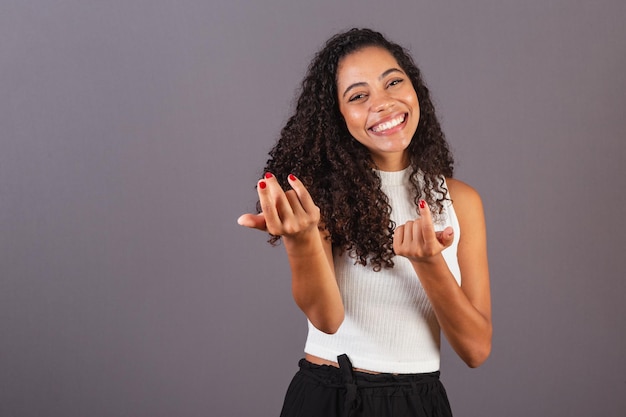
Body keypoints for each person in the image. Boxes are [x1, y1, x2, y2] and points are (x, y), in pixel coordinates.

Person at [238, 28, 492, 417]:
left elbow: (476, 350)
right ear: (337, 117)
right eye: (358, 96)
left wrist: (429, 264)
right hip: (333, 396)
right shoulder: (322, 196)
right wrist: (302, 237)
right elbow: (326, 320)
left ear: (414, 89)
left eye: (393, 82)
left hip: (420, 402)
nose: (384, 103)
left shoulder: (462, 200)